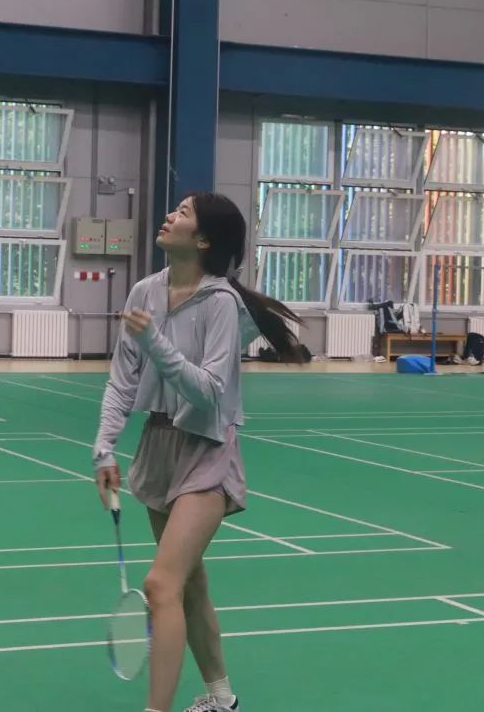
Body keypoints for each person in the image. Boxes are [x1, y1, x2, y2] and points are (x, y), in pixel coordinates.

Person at [92, 192, 309, 712]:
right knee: (189, 584)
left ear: (204, 240)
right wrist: (104, 448)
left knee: (160, 584)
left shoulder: (221, 304)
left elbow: (210, 390)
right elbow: (122, 381)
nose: (169, 216)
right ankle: (221, 697)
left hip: (207, 450)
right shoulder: (145, 291)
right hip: (158, 447)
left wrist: (156, 343)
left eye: (183, 213)